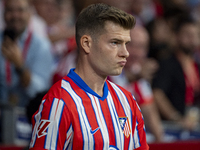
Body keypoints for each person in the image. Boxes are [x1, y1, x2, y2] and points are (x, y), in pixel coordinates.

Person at [29, 3, 149, 150]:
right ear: (86, 43)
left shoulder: (128, 101)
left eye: (126, 44)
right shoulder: (59, 103)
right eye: (115, 43)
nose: (125, 53)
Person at [109, 25, 163, 142]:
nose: (137, 53)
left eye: (142, 47)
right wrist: (136, 76)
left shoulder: (138, 75)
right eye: (132, 45)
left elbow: (149, 112)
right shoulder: (104, 68)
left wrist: (161, 142)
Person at [0, 0, 53, 107]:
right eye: (10, 10)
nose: (15, 15)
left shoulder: (42, 46)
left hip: (28, 115)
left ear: (29, 14)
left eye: (20, 10)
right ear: (4, 14)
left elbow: (40, 92)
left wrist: (20, 66)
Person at [152, 15, 200, 130]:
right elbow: (157, 93)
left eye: (196, 35)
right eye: (187, 34)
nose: (192, 39)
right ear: (177, 36)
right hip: (173, 128)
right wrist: (176, 118)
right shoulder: (167, 63)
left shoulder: (197, 66)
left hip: (194, 126)